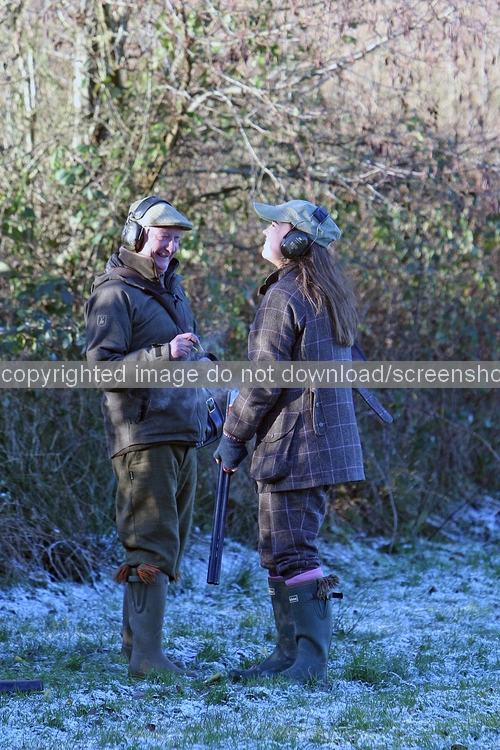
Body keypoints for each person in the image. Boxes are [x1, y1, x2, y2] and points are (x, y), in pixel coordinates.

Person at [214, 199, 365, 685]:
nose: (265, 231)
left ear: (296, 240)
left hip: (297, 446)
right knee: (279, 551)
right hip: (311, 443)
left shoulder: (286, 294)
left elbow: (263, 381)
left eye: (273, 225)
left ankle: (310, 664)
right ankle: (287, 656)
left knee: (295, 550)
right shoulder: (325, 291)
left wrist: (233, 436)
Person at [85, 196, 216, 678]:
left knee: (167, 543)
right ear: (136, 235)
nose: (171, 248)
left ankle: (135, 649)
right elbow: (100, 370)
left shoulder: (173, 290)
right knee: (150, 543)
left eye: (177, 240)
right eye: (163, 237)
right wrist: (164, 354)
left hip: (180, 433)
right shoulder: (114, 293)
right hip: (142, 436)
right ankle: (147, 660)